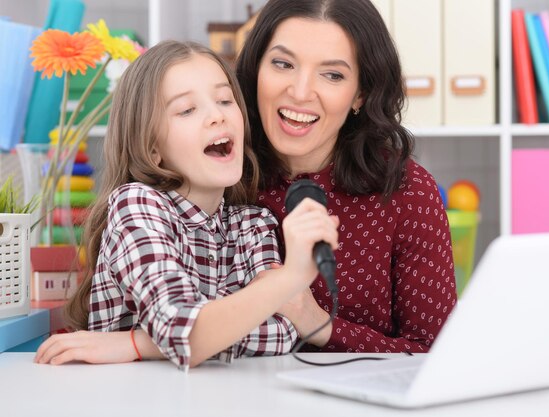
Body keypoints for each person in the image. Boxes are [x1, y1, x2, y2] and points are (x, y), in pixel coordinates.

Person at [37, 0, 457, 363]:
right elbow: (196, 326)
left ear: (360, 94)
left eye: (332, 75)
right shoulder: (222, 179)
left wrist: (316, 322)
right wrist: (143, 341)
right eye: (282, 63)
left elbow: (434, 353)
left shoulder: (252, 216)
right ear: (254, 72)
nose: (300, 91)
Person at [34, 40, 339, 370]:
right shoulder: (136, 205)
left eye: (224, 100)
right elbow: (186, 333)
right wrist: (289, 278)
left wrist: (135, 342)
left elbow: (282, 334)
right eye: (187, 110)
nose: (216, 116)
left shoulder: (255, 224)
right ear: (152, 149)